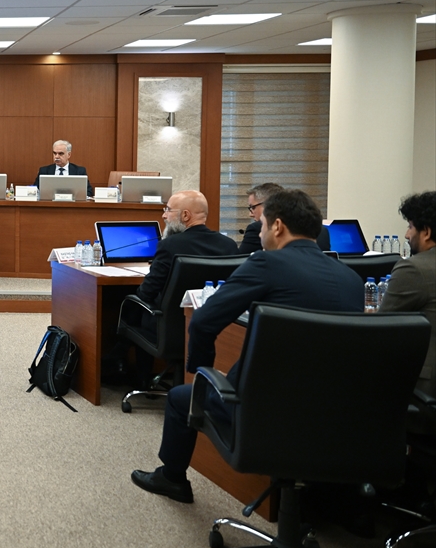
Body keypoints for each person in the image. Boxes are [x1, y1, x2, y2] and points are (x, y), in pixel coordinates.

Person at [130, 188, 363, 504]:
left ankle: (172, 479)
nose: (259, 233)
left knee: (181, 398)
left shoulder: (267, 263)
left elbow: (202, 322)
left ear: (277, 226)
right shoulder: (352, 279)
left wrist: (203, 373)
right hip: (338, 411)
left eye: (261, 225)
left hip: (265, 406)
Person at [116, 190, 239, 384]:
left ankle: (138, 377)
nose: (164, 215)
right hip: (212, 327)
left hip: (168, 329)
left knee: (132, 305)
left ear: (185, 215)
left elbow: (146, 293)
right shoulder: (229, 245)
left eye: (168, 210)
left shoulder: (169, 245)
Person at [380, 191, 436, 395]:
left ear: (426, 232)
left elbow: (379, 330)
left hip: (422, 394)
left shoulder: (414, 269)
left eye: (410, 226)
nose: (406, 235)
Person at [240, 182, 330, 252]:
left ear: (268, 205)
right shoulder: (323, 231)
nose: (250, 214)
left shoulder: (257, 229)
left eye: (253, 207)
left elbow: (238, 263)